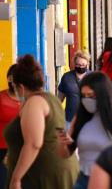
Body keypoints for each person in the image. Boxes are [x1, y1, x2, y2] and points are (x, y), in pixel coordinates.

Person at [4, 55, 78, 189]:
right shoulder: (51, 98)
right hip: (58, 169)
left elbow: (34, 143)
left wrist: (16, 178)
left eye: (14, 86)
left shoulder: (34, 103)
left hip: (46, 174)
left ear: (21, 86)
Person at [57, 72, 112, 189]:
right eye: (84, 96)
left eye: (91, 96)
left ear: (103, 94)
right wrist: (62, 143)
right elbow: (65, 153)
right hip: (83, 179)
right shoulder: (80, 117)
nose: (87, 100)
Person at [58, 50, 91, 129]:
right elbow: (59, 99)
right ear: (74, 64)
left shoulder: (92, 77)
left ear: (87, 64)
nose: (80, 67)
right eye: (78, 65)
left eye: (83, 65)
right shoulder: (67, 77)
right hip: (69, 120)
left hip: (88, 120)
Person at [0, 65, 20, 189]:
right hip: (2, 150)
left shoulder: (29, 99)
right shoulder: (1, 97)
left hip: (22, 150)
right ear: (8, 79)